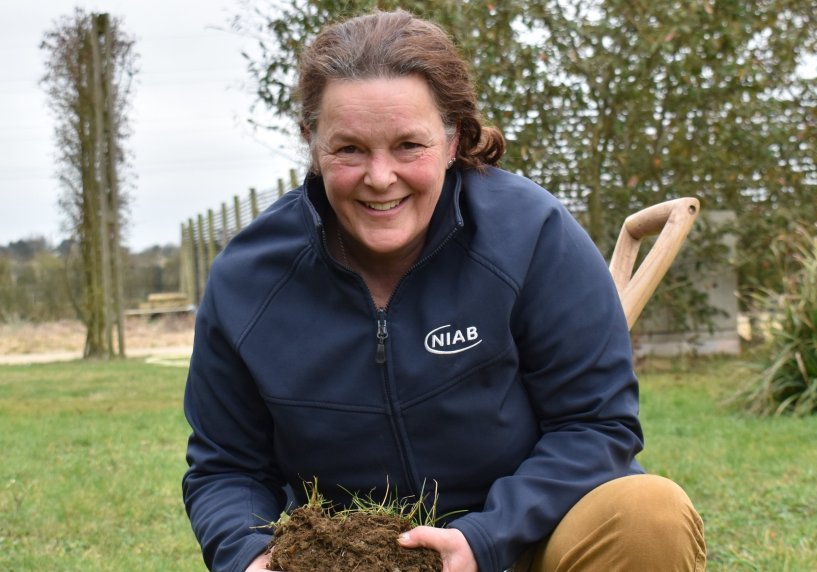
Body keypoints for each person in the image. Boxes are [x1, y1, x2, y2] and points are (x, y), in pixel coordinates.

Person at [182, 9, 706, 572]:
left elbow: (596, 426)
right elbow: (226, 467)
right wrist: (248, 555)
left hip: (525, 540)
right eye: (349, 149)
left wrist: (484, 538)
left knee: (648, 512)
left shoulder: (531, 235)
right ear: (312, 141)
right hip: (354, 558)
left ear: (454, 137)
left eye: (409, 145)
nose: (380, 177)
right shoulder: (249, 282)